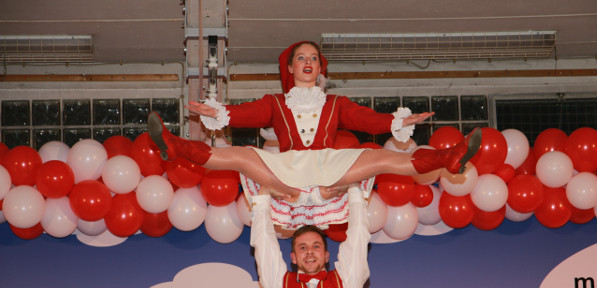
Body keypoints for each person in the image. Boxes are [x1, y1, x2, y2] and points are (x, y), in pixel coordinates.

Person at [147, 41, 481, 227]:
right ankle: (175, 146)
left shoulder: (335, 103)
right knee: (241, 156)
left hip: (329, 167)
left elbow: (370, 121)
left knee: (383, 158)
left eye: (314, 59)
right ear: (290, 67)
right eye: (301, 58)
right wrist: (219, 111)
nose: (308, 62)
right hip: (287, 169)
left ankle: (448, 158)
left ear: (320, 69)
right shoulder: (275, 103)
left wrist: (402, 120)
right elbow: (244, 114)